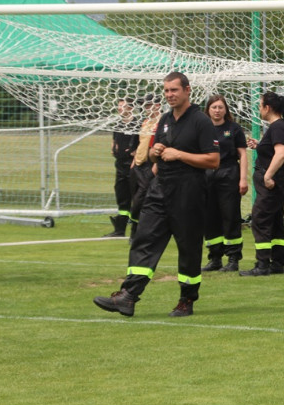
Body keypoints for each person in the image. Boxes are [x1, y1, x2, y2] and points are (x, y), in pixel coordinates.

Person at [93, 72, 220, 317]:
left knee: (189, 249)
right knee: (144, 239)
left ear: (187, 90)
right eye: (166, 91)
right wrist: (156, 151)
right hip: (160, 189)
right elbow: (153, 155)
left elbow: (213, 160)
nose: (169, 95)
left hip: (188, 194)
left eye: (174, 90)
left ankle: (187, 300)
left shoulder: (200, 121)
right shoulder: (163, 120)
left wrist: (179, 155)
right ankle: (128, 296)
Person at [241, 91, 284, 277]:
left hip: (272, 182)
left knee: (260, 219)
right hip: (278, 182)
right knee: (275, 221)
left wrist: (268, 176)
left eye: (260, 105)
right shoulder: (278, 127)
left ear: (268, 108)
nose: (259, 109)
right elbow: (275, 150)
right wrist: (260, 145)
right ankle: (278, 262)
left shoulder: (278, 127)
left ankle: (262, 264)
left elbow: (280, 154)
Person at [201, 95, 249, 273]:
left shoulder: (233, 128)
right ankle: (214, 258)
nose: (217, 110)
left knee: (230, 217)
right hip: (207, 177)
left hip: (228, 175)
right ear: (208, 110)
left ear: (226, 110)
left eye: (220, 107)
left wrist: (243, 179)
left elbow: (243, 155)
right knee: (209, 218)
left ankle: (233, 258)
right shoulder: (203, 129)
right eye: (214, 107)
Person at [106, 98, 140, 237]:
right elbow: (115, 141)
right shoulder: (118, 124)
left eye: (123, 106)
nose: (120, 109)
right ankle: (119, 228)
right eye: (119, 106)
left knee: (136, 197)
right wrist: (114, 148)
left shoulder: (137, 124)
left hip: (132, 166)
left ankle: (136, 230)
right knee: (121, 195)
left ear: (131, 108)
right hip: (120, 165)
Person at [128, 94, 160, 234]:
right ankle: (135, 229)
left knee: (140, 199)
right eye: (145, 106)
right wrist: (134, 162)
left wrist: (154, 167)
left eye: (149, 105)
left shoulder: (161, 122)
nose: (147, 108)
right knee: (135, 198)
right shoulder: (145, 122)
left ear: (157, 105)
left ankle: (137, 230)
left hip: (149, 165)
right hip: (138, 165)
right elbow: (140, 143)